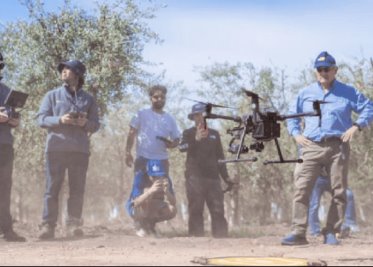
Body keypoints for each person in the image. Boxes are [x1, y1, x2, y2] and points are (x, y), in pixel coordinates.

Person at [282, 51, 373, 246]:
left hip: (337, 146)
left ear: (335, 70)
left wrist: (357, 126)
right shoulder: (305, 93)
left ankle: (331, 230)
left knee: (339, 191)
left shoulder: (348, 92)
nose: (323, 72)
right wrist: (296, 134)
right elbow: (291, 115)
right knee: (301, 189)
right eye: (319, 69)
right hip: (310, 147)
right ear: (316, 72)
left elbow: (369, 107)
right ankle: (298, 232)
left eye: (327, 69)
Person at [37, 60, 100, 240]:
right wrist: (60, 120)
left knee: (77, 189)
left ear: (78, 74)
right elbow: (41, 119)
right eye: (62, 69)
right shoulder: (52, 95)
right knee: (52, 189)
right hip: (55, 149)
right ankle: (48, 226)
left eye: (68, 69)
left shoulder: (88, 99)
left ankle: (73, 226)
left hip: (80, 150)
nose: (64, 72)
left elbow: (96, 124)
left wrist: (85, 123)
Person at [125, 85, 180, 235]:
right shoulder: (141, 114)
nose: (159, 99)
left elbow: (176, 139)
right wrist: (127, 152)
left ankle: (150, 223)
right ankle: (140, 221)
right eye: (156, 97)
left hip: (162, 159)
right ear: (151, 98)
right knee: (143, 189)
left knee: (160, 190)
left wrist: (172, 144)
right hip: (143, 158)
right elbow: (132, 132)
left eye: (162, 97)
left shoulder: (169, 118)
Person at [179, 103, 233, 238]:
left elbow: (220, 157)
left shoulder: (215, 134)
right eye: (197, 115)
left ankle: (221, 239)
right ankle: (196, 238)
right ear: (193, 117)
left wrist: (226, 178)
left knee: (217, 210)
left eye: (203, 114)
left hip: (213, 178)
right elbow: (182, 148)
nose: (200, 117)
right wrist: (195, 140)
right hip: (194, 178)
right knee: (196, 209)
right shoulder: (188, 133)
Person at [0, 52, 26, 242]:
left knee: (4, 187)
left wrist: (14, 120)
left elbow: (14, 117)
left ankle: (6, 230)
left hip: (5, 145)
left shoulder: (7, 91)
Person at [126, 159, 177, 237]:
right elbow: (136, 202)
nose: (157, 178)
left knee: (172, 209)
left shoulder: (166, 178)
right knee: (146, 196)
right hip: (135, 208)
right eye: (154, 176)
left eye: (160, 175)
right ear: (148, 174)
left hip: (154, 205)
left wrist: (167, 192)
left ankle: (150, 225)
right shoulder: (140, 177)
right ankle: (140, 224)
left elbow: (173, 202)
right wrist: (150, 191)